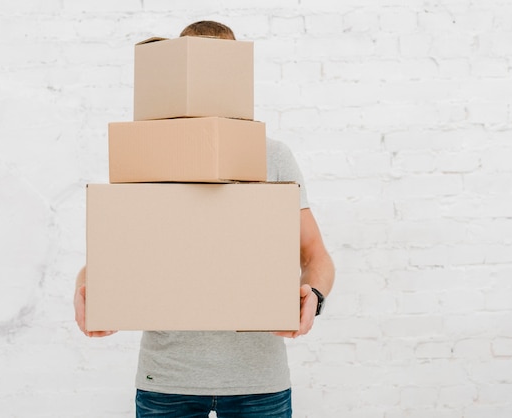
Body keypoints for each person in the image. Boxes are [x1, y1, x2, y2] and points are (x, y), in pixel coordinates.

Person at [74, 20, 335, 418]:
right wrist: (89, 293)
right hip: (167, 380)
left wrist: (312, 297)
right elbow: (116, 252)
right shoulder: (148, 152)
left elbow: (315, 254)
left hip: (258, 381)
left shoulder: (274, 156)